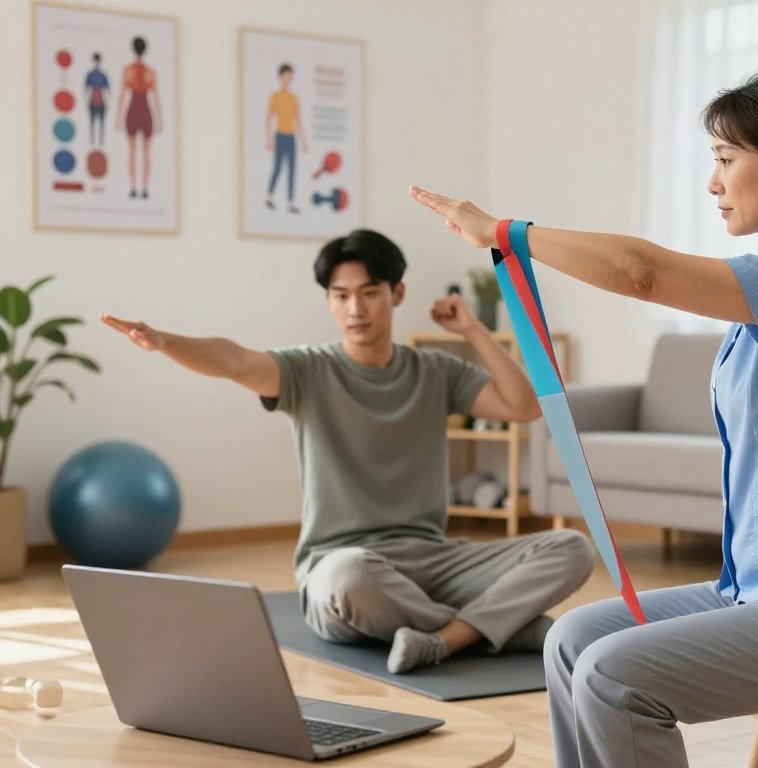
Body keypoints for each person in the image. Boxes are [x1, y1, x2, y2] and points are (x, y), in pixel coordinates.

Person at [410, 69, 758, 767]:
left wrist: (504, 232)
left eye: (725, 159)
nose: (713, 183)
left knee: (617, 676)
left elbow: (640, 272)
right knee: (571, 642)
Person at [101, 229, 593, 675]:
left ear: (396, 294)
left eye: (369, 293)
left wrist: (472, 332)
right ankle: (498, 632)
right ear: (330, 302)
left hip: (432, 564)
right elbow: (233, 360)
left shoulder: (436, 372)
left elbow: (527, 407)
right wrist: (164, 340)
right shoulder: (307, 371)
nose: (355, 309)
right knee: (348, 575)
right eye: (341, 296)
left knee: (571, 548)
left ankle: (446, 639)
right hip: (342, 568)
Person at [115, 36, 163, 199]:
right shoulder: (151, 72)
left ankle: (134, 187)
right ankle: (144, 188)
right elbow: (156, 98)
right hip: (145, 110)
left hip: (133, 109)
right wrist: (159, 119)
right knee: (146, 152)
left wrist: (118, 116)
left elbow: (122, 95)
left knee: (132, 151)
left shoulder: (127, 71)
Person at [265, 63, 309, 214]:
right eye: (285, 76)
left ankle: (290, 202)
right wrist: (269, 140)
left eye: (290, 76)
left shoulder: (294, 98)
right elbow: (269, 119)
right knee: (277, 168)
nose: (288, 79)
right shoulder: (275, 96)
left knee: (292, 170)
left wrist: (303, 141)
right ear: (280, 77)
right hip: (280, 135)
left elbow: (298, 121)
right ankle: (270, 196)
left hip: (291, 137)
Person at [84, 52, 109, 147]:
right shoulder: (90, 75)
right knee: (92, 122)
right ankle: (92, 140)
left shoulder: (103, 75)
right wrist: (87, 100)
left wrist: (107, 101)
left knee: (102, 122)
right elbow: (86, 89)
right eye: (95, 61)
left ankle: (101, 141)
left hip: (102, 101)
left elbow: (107, 89)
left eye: (98, 61)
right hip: (92, 100)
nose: (96, 63)